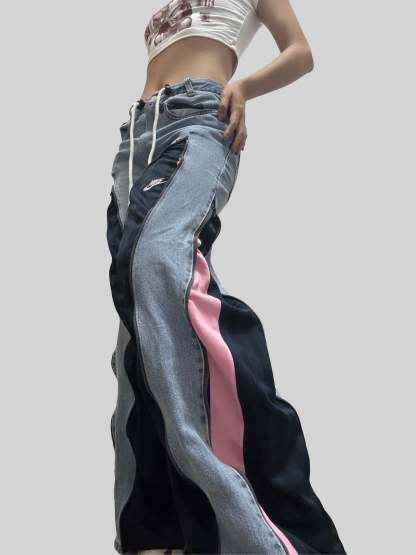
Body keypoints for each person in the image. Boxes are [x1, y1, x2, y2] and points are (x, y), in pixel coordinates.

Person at [106, 1, 347, 554]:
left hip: (199, 116)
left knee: (158, 265)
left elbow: (301, 53)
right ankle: (156, 535)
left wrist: (244, 87)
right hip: (136, 138)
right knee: (140, 330)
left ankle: (257, 531)